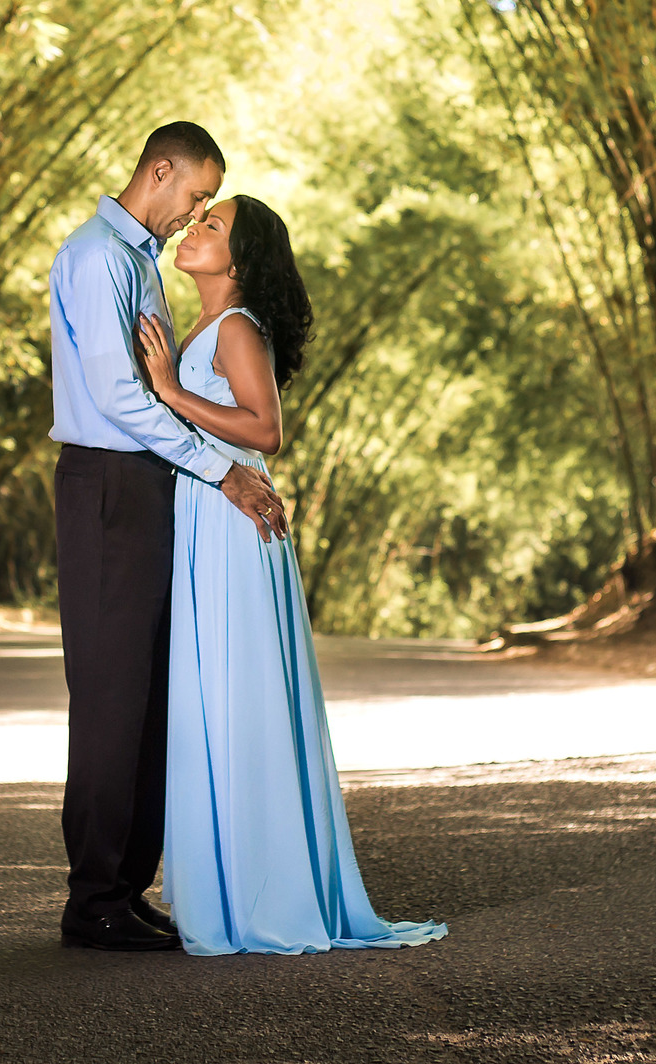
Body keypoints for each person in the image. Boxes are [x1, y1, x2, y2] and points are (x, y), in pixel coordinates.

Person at [137, 195, 448, 956]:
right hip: (211, 515)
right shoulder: (208, 326)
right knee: (217, 694)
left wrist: (171, 391)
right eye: (198, 218)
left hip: (237, 522)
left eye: (212, 226)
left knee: (241, 696)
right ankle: (238, 886)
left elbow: (266, 428)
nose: (194, 228)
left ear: (238, 262)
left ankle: (263, 894)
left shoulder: (237, 329)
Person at [49, 123, 287, 953]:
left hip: (149, 485)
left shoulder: (140, 262)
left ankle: (123, 885)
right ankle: (94, 900)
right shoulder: (97, 257)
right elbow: (120, 396)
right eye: (195, 197)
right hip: (109, 485)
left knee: (151, 696)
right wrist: (219, 471)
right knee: (113, 698)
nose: (195, 215)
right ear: (162, 170)